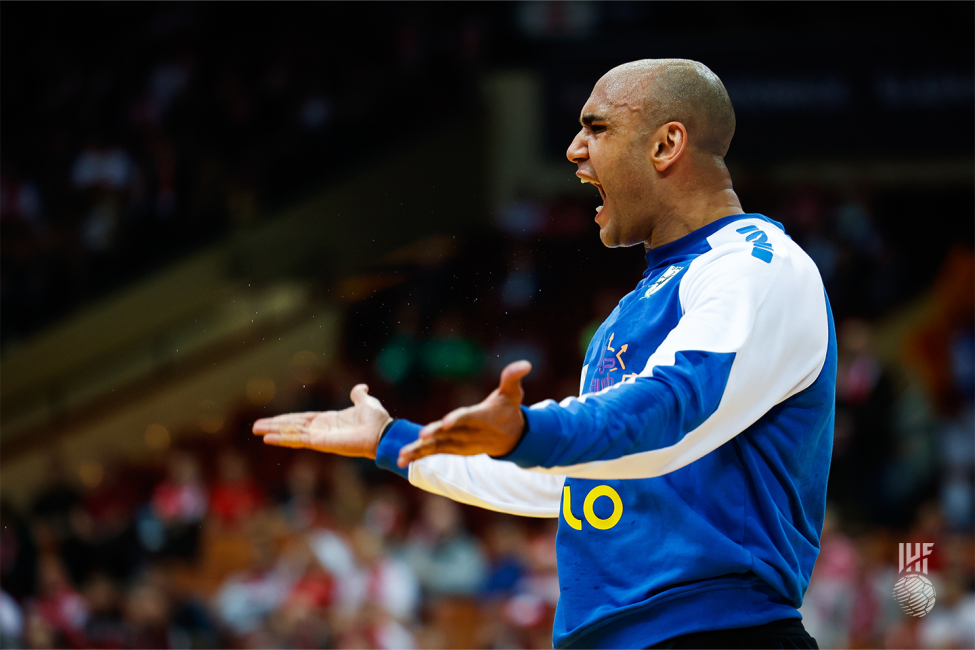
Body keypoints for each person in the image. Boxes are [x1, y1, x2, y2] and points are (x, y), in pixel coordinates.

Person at [254, 59, 833, 650]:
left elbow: (672, 410)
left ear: (667, 143)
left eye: (597, 128)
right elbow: (574, 481)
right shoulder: (628, 313)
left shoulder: (756, 267)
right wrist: (395, 441)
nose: (574, 151)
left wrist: (527, 431)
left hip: (717, 631)